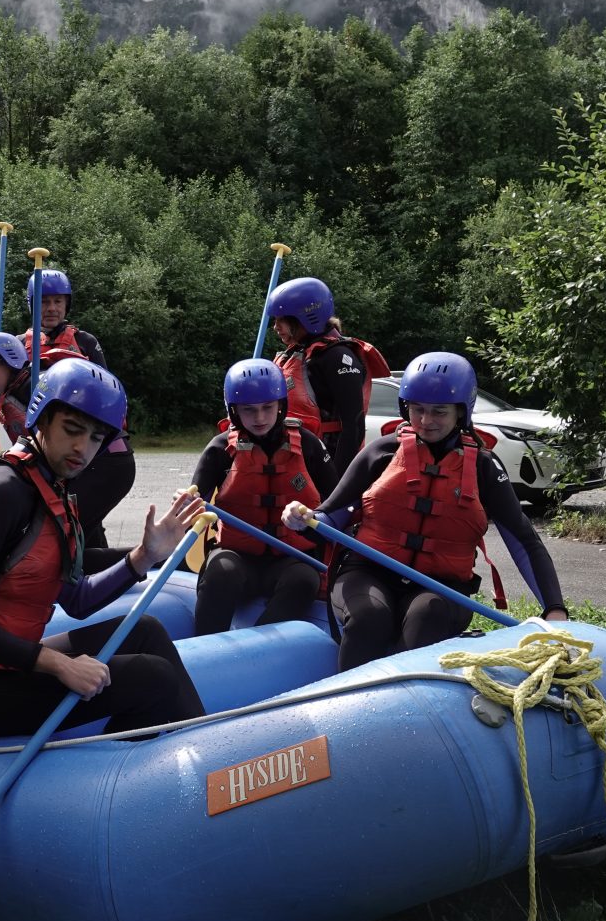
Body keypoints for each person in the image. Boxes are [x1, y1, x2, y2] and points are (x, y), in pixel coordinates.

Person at [0, 358, 206, 741]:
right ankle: (124, 779)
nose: (83, 448)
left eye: (96, 438)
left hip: (1, 663)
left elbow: (75, 600)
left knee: (144, 630)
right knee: (151, 677)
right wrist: (58, 664)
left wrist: (144, 557)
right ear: (40, 419)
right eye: (72, 430)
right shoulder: (2, 492)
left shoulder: (49, 487)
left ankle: (195, 745)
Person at [284, 351, 567, 673]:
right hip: (368, 573)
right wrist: (302, 518)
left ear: (461, 412)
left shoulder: (485, 468)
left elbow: (524, 541)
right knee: (368, 617)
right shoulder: (382, 452)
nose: (426, 421)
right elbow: (330, 515)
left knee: (426, 617)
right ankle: (344, 708)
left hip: (441, 587)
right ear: (405, 407)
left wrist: (554, 610)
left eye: (439, 412)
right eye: (417, 410)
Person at [191, 359, 332, 636]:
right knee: (221, 572)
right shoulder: (220, 449)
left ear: (281, 405)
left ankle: (258, 649)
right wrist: (186, 505)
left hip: (291, 557)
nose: (260, 418)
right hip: (237, 556)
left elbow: (336, 504)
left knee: (304, 579)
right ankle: (206, 645)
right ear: (234, 411)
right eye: (249, 410)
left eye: (268, 408)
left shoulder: (309, 444)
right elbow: (194, 502)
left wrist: (313, 517)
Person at [21, 269, 135, 560]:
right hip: (53, 451)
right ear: (32, 304)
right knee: (84, 522)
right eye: (44, 301)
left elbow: (107, 393)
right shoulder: (20, 345)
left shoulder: (84, 342)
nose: (51, 308)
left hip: (98, 455)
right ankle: (111, 577)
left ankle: (138, 561)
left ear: (66, 306)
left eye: (58, 301)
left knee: (70, 524)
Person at [266, 276, 389, 474]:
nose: (276, 327)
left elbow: (354, 425)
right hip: (297, 459)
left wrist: (337, 480)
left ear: (306, 316)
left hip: (327, 462)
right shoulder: (299, 353)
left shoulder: (338, 356)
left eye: (282, 320)